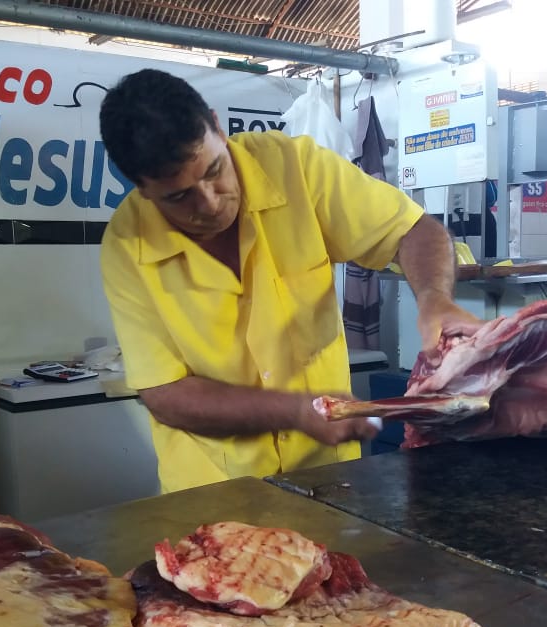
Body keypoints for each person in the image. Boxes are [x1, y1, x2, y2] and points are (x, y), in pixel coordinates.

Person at [98, 68, 482, 493]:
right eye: (178, 196)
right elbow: (166, 395)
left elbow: (412, 230)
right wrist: (297, 412)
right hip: (213, 491)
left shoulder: (296, 167)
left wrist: (434, 300)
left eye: (214, 171)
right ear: (141, 188)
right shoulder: (126, 246)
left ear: (217, 125)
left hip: (329, 479)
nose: (208, 203)